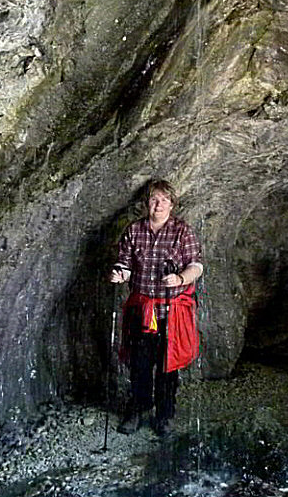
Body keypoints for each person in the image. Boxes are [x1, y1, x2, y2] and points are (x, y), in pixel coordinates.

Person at [108, 179, 203, 436]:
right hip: (143, 310)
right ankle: (138, 409)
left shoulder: (183, 232)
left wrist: (181, 278)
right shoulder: (134, 231)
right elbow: (125, 263)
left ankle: (165, 414)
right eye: (153, 199)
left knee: (167, 365)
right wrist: (120, 274)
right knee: (140, 363)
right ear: (146, 203)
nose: (158, 205)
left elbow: (196, 266)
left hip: (171, 311)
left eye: (163, 200)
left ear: (172, 204)